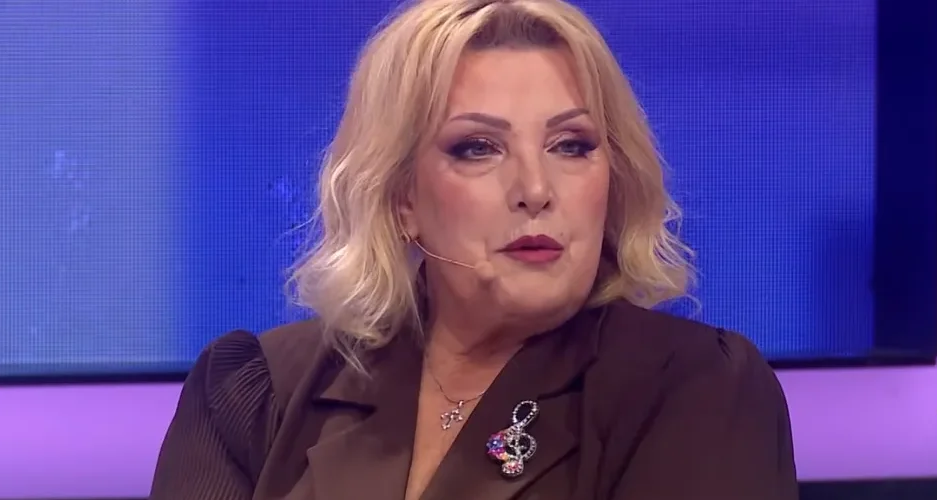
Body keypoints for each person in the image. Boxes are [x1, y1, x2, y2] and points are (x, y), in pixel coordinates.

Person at [149, 0, 798, 498]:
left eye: (571, 146)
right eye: (478, 148)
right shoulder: (254, 392)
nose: (536, 190)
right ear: (402, 196)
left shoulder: (697, 389)